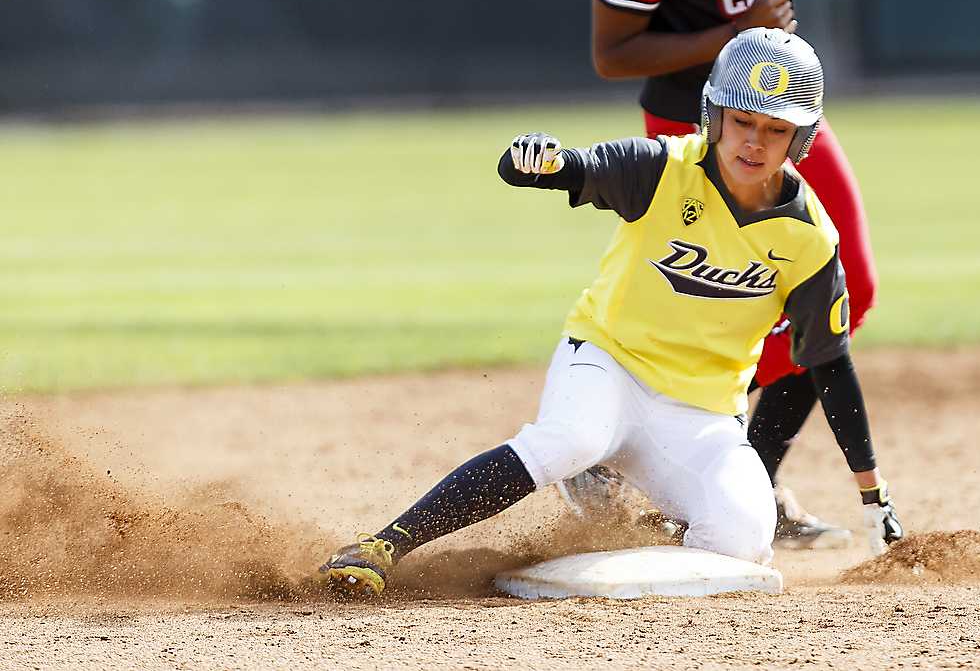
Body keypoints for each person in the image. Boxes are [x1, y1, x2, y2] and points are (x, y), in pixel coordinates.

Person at [320, 29, 902, 596]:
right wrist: (535, 160)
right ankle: (383, 545)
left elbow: (829, 363)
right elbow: (560, 168)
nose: (754, 141)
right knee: (568, 439)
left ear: (801, 140)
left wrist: (873, 496)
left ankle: (638, 516)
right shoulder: (661, 169)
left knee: (744, 536)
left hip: (700, 411)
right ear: (714, 115)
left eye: (776, 129)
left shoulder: (808, 236)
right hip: (606, 365)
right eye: (742, 119)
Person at [561, 0, 875, 548]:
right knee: (708, 304)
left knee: (848, 290)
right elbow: (612, 53)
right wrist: (738, 31)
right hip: (706, 123)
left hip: (787, 110)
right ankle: (623, 437)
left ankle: (749, 477)